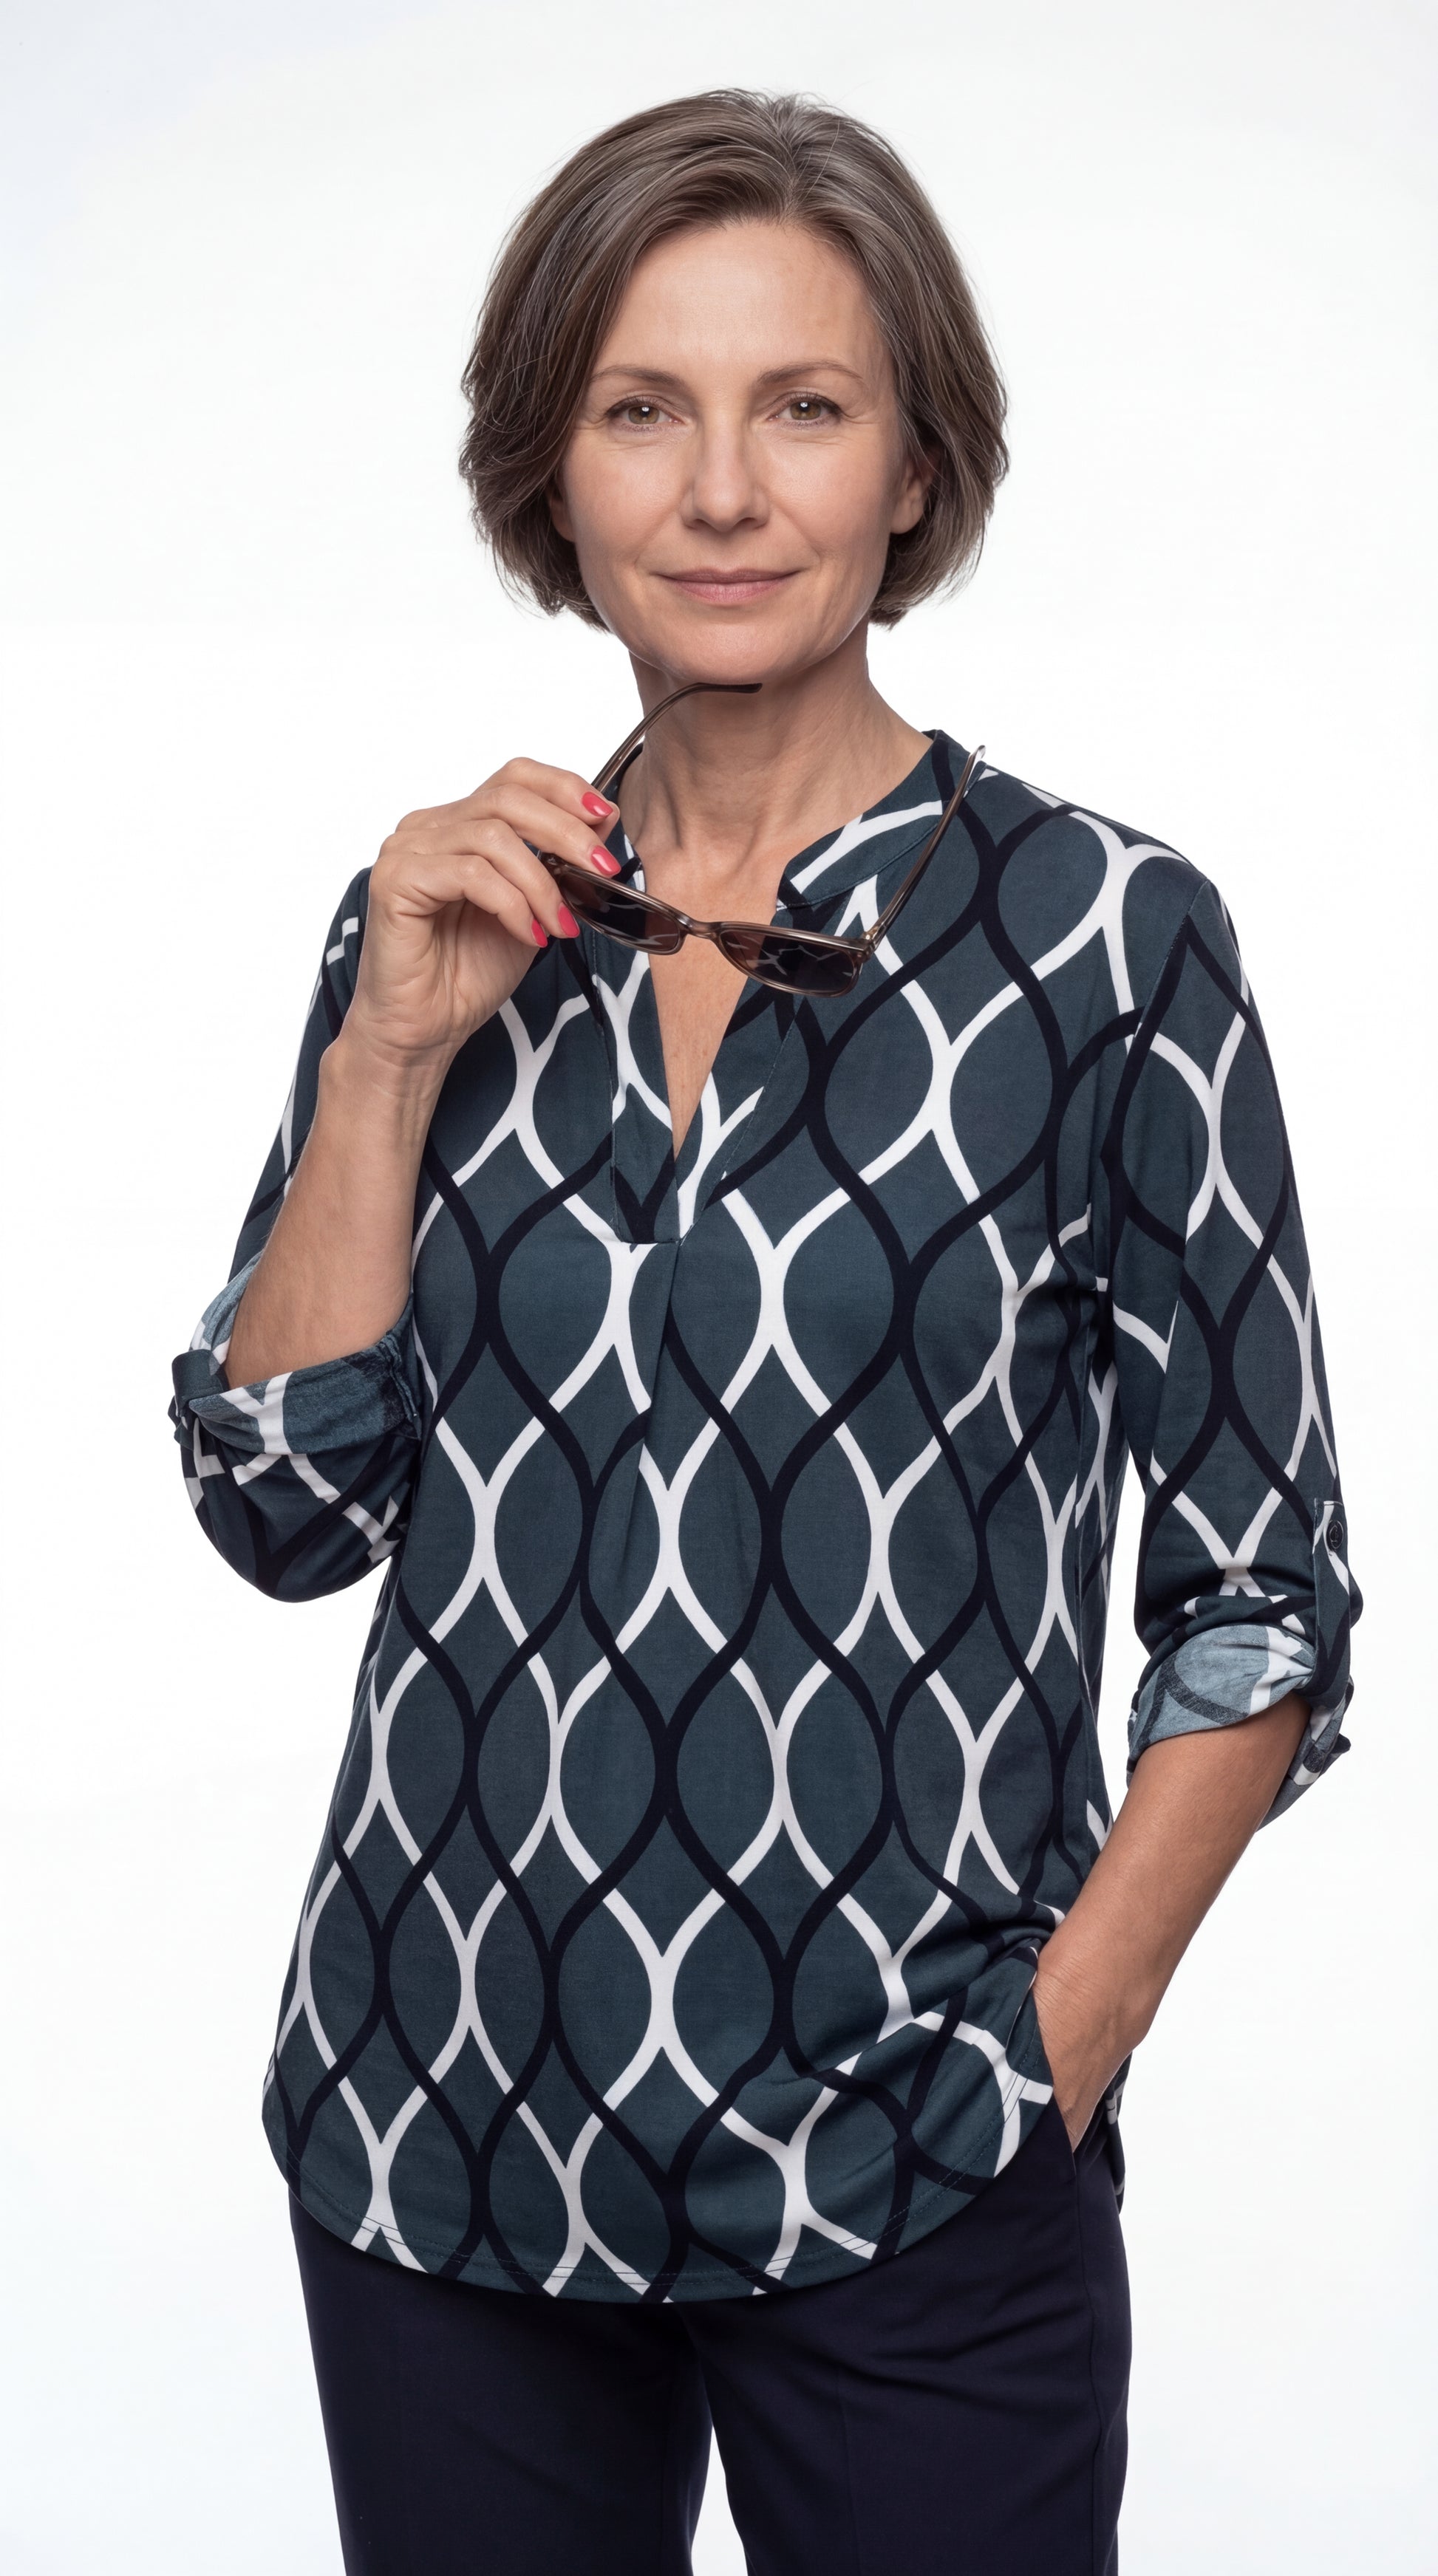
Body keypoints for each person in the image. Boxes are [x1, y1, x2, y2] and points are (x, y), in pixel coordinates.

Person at [170, 89, 1357, 2576]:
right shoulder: (438, 921)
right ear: (551, 468)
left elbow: (1260, 1593)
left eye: (801, 407)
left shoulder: (1105, 942)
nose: (722, 491)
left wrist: (1058, 2048)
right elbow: (283, 1507)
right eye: (643, 410)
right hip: (436, 2126)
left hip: (909, 2156)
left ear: (912, 464)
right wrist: (386, 1056)